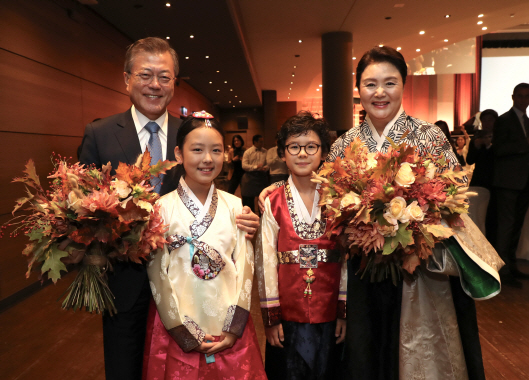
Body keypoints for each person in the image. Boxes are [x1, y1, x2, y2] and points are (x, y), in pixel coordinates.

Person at [260, 46, 503, 380]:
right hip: (361, 270)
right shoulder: (346, 143)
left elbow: (453, 199)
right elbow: (327, 197)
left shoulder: (429, 135)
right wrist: (271, 192)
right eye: (370, 84)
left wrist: (419, 233)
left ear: (403, 85)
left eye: (389, 83)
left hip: (419, 270)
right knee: (364, 356)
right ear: (358, 90)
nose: (379, 92)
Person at [78, 37, 259, 380]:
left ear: (175, 82)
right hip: (127, 284)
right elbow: (82, 210)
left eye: (165, 76)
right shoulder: (99, 134)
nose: (155, 85)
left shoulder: (192, 133)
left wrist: (244, 219)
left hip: (191, 287)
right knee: (124, 366)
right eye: (146, 74)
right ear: (127, 78)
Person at [143, 112, 266, 379]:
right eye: (197, 150)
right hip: (178, 322)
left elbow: (246, 266)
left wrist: (235, 327)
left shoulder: (236, 206)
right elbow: (157, 275)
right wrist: (179, 329)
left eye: (216, 150)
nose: (207, 159)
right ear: (179, 153)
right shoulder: (160, 208)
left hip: (227, 321)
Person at [256, 111, 347, 379]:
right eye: (294, 147)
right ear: (283, 153)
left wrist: (343, 312)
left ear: (323, 152)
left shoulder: (340, 200)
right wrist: (271, 320)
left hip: (329, 311)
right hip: (287, 314)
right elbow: (265, 263)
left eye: (311, 147)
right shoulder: (273, 202)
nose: (303, 154)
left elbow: (345, 259)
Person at [492, 83, 529, 287]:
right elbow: (499, 148)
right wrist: (524, 145)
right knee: (505, 227)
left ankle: (512, 266)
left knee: (516, 227)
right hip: (507, 182)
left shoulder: (527, 121)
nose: (523, 100)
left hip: (523, 182)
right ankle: (502, 270)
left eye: (527, 96)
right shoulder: (505, 120)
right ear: (513, 97)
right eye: (520, 96)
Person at [241, 134, 268, 212]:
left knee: (263, 199)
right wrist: (256, 167)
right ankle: (250, 217)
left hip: (262, 177)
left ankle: (263, 220)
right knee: (248, 200)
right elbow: (244, 165)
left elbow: (268, 164)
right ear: (255, 142)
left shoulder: (265, 151)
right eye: (260, 142)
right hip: (250, 177)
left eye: (263, 142)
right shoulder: (248, 152)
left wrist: (265, 168)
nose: (262, 143)